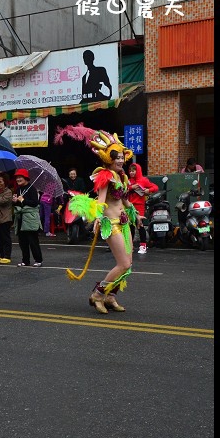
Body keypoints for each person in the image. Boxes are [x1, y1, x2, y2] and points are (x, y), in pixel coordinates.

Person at [55, 126, 140, 314]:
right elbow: (100, 202)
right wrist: (98, 219)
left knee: (129, 265)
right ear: (108, 158)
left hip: (125, 223)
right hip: (112, 224)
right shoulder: (106, 176)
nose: (120, 160)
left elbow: (124, 200)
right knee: (123, 264)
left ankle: (110, 297)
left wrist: (135, 213)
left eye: (121, 157)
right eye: (116, 158)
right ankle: (97, 293)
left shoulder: (122, 176)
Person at [12, 168, 43, 267]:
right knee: (22, 241)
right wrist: (15, 201)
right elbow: (18, 203)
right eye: (17, 177)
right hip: (20, 218)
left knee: (32, 240)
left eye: (20, 177)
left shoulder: (32, 188)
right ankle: (25, 260)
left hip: (30, 218)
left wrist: (23, 200)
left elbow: (35, 203)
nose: (18, 179)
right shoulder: (18, 189)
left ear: (26, 178)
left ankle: (38, 260)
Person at [127, 161, 159, 254]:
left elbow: (155, 187)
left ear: (138, 171)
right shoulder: (128, 181)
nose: (132, 172)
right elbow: (123, 190)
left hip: (139, 206)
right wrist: (132, 187)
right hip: (129, 206)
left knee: (140, 225)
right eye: (130, 171)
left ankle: (143, 245)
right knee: (130, 226)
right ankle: (130, 245)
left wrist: (148, 190)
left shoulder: (144, 180)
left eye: (134, 170)